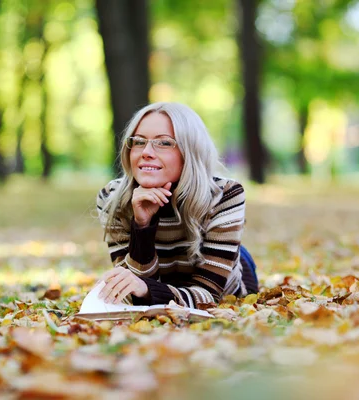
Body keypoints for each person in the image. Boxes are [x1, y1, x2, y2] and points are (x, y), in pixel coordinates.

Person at [96, 102, 259, 308]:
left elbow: (209, 296)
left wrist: (146, 290)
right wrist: (143, 227)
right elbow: (133, 292)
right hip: (168, 282)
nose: (146, 151)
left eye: (163, 143)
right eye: (138, 141)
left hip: (226, 275)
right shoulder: (112, 198)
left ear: (189, 151)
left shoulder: (225, 194)